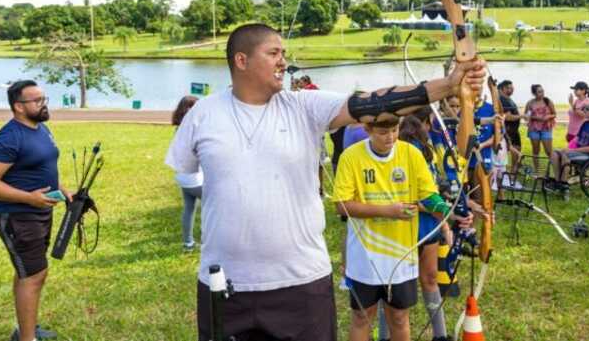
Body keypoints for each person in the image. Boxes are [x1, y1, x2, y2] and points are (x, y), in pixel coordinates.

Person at [164, 23, 486, 341]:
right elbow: (187, 170)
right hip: (224, 284)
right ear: (241, 60)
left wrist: (448, 84)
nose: (283, 62)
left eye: (284, 53)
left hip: (302, 282)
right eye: (273, 53)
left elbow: (374, 103)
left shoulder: (303, 106)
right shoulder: (203, 114)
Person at [333, 117, 473, 341]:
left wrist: (451, 212)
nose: (390, 137)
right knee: (361, 317)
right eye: (382, 132)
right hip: (364, 255)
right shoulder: (351, 156)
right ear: (367, 129)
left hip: (401, 256)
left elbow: (428, 195)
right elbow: (342, 205)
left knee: (399, 317)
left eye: (394, 130)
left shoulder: (410, 153)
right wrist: (388, 211)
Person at [0, 80, 73, 341]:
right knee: (34, 274)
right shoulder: (8, 138)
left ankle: (26, 329)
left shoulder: (41, 128)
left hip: (39, 210)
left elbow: (41, 165)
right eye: (37, 100)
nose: (44, 104)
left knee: (27, 273)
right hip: (17, 216)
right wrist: (29, 198)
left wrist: (62, 189)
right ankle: (27, 338)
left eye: (44, 99)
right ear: (18, 107)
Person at [399, 112, 453, 341]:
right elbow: (405, 200)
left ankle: (440, 335)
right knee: (397, 286)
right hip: (402, 228)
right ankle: (386, 335)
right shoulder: (397, 162)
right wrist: (436, 210)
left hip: (428, 227)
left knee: (430, 278)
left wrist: (444, 224)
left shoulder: (426, 157)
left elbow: (432, 194)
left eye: (418, 141)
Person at [549, 101, 589, 185]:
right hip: (579, 152)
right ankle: (557, 180)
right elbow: (577, 139)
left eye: (587, 109)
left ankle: (563, 183)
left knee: (565, 155)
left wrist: (572, 151)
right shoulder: (586, 123)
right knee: (555, 153)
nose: (584, 111)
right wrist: (568, 148)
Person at [171, 95, 202, 250]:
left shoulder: (179, 128)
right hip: (195, 179)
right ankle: (211, 242)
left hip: (183, 177)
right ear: (189, 109)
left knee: (189, 209)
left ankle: (188, 243)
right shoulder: (193, 129)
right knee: (216, 207)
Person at [524, 84, 556, 172]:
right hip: (534, 129)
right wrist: (535, 118)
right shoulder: (530, 103)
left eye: (542, 91)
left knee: (549, 151)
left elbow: (554, 114)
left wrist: (548, 117)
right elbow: (526, 116)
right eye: (539, 92)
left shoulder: (547, 101)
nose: (542, 93)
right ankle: (537, 170)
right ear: (534, 93)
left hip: (546, 128)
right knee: (535, 150)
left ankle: (554, 168)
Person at [497, 80, 522, 154]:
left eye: (512, 88)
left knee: (517, 148)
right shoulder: (502, 100)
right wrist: (522, 116)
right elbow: (508, 117)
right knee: (507, 149)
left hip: (514, 130)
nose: (511, 89)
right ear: (502, 89)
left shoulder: (508, 98)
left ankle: (515, 166)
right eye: (508, 88)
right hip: (508, 130)